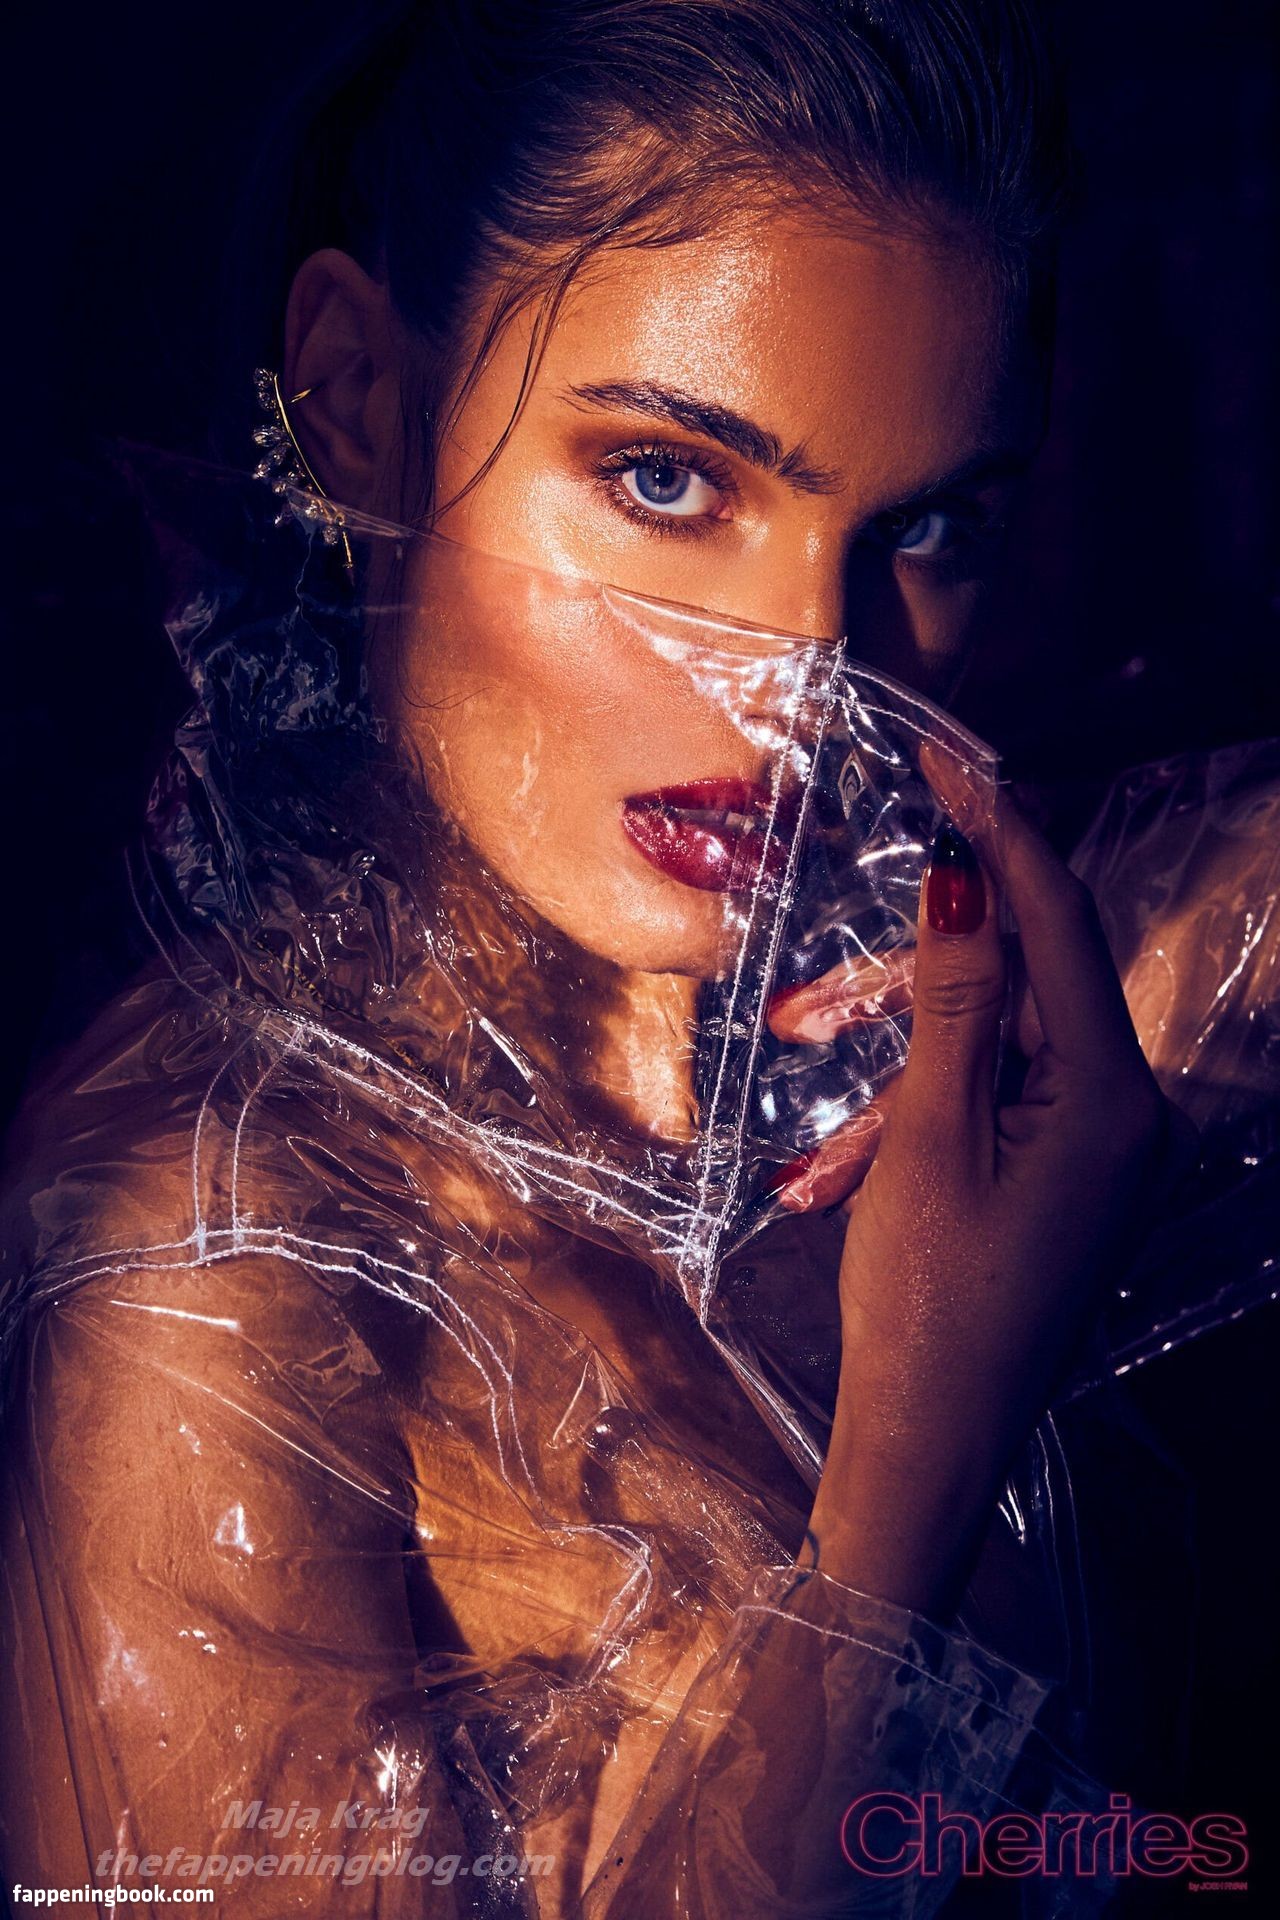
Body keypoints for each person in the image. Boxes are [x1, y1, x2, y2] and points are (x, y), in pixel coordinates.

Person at [0, 3, 1271, 1914]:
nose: (808, 682)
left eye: (929, 528)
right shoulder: (200, 1291)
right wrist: (915, 1467)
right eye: (670, 481)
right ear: (357, 398)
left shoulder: (964, 1067)